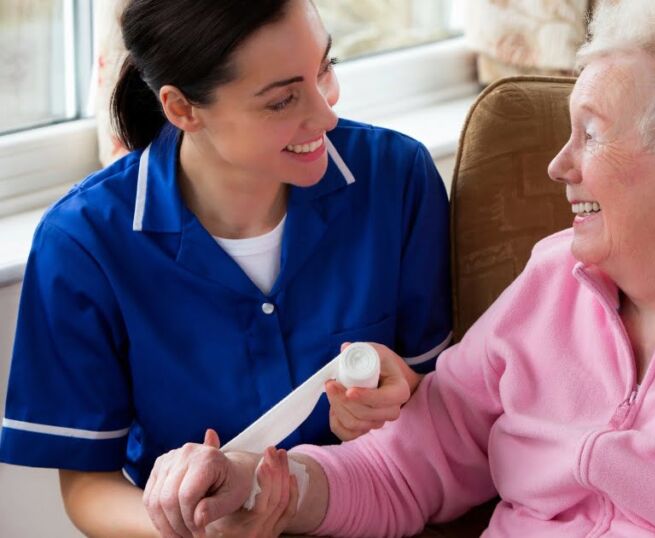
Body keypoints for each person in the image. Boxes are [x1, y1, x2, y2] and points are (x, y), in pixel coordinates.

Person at [148, 1, 655, 536]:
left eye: (590, 135)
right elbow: (408, 466)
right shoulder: (549, 280)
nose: (559, 165)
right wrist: (271, 486)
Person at [0, 0, 452, 536]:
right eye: (283, 99)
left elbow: (448, 396)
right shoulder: (82, 243)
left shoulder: (396, 178)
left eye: (324, 69)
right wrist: (196, 531)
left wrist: (403, 392)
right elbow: (86, 489)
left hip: (371, 517)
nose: (326, 113)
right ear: (183, 108)